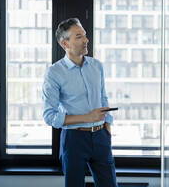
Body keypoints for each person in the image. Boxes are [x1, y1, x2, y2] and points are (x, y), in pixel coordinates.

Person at [42, 17, 118, 187]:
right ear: (65, 43)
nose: (85, 40)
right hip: (74, 139)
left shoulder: (96, 66)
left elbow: (103, 97)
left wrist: (107, 126)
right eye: (79, 37)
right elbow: (49, 116)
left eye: (84, 35)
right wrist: (87, 117)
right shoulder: (54, 73)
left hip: (101, 137)